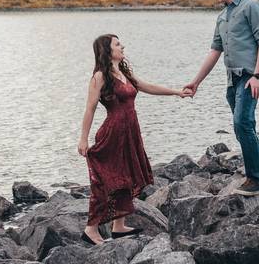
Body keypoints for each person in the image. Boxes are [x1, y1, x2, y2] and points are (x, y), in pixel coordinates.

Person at [77, 34, 190, 245]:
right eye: (117, 44)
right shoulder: (99, 77)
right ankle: (91, 229)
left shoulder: (124, 73)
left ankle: (118, 226)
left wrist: (177, 92)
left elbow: (149, 87)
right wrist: (83, 139)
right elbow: (90, 109)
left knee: (126, 176)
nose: (122, 47)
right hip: (112, 134)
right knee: (106, 181)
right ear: (106, 50)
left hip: (130, 133)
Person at [185, 0, 259, 196]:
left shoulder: (251, 6)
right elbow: (215, 51)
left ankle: (257, 181)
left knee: (242, 124)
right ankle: (257, 175)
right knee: (244, 126)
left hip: (249, 76)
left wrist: (257, 75)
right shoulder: (222, 16)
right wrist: (196, 82)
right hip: (232, 80)